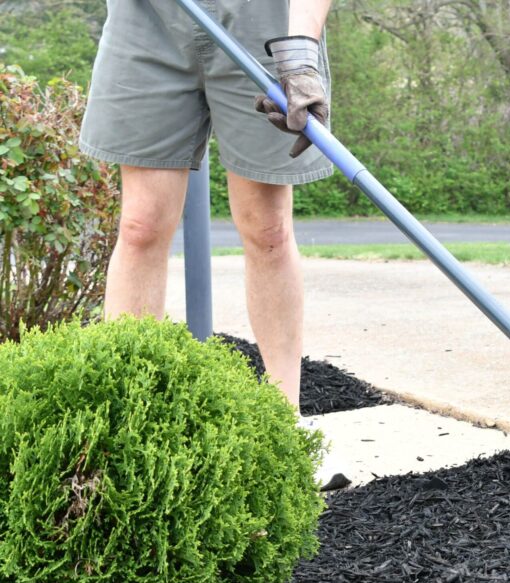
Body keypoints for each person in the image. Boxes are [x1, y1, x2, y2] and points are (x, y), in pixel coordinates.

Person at [79, 0, 333, 409]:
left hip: (263, 21)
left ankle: (283, 425)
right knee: (140, 226)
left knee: (267, 229)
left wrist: (300, 52)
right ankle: (126, 419)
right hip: (149, 18)